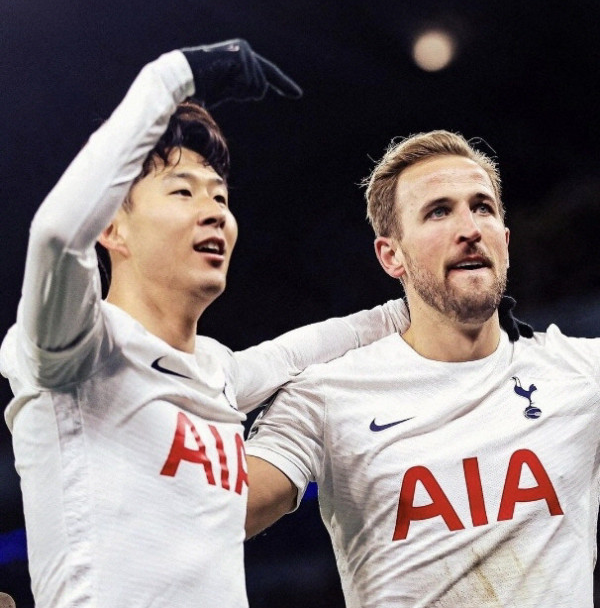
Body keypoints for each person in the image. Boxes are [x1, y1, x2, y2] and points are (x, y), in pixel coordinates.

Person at [0, 39, 411, 608]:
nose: (215, 210)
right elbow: (55, 236)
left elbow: (299, 352)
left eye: (220, 196)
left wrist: (421, 309)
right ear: (111, 228)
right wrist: (175, 75)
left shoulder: (216, 371)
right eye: (183, 191)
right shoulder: (77, 349)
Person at [244, 130, 596, 608]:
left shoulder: (581, 371)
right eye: (438, 211)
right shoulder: (327, 395)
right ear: (392, 256)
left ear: (505, 241)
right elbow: (214, 513)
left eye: (483, 208)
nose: (470, 228)